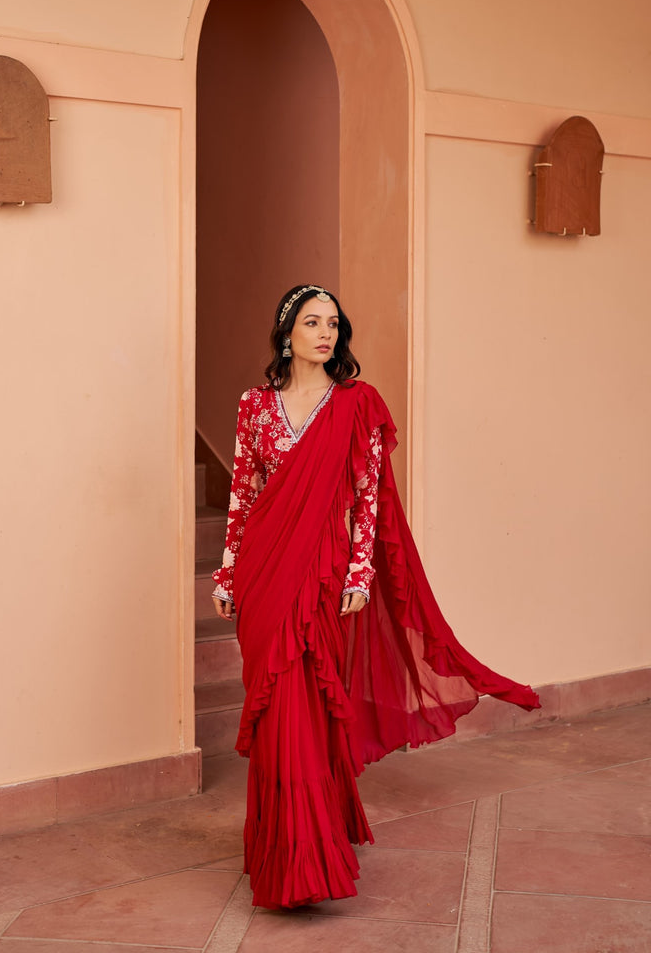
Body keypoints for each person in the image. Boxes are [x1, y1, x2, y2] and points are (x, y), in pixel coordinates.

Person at [212, 283, 539, 911]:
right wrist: (227, 574)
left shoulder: (358, 404)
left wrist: (359, 574)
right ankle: (278, 846)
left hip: (323, 576)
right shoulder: (255, 407)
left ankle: (310, 854)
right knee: (275, 703)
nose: (326, 333)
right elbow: (243, 494)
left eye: (334, 324)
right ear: (287, 334)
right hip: (263, 575)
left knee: (305, 706)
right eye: (312, 322)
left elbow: (368, 498)